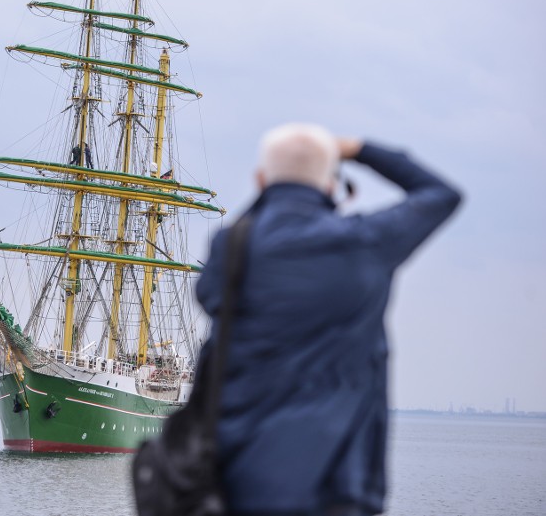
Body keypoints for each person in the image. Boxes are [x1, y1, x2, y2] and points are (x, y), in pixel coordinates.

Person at [195, 124, 462, 516]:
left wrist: (275, 186)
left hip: (234, 475)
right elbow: (442, 195)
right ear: (332, 184)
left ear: (261, 181)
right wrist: (356, 149)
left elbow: (212, 295)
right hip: (337, 481)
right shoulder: (367, 241)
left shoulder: (229, 248)